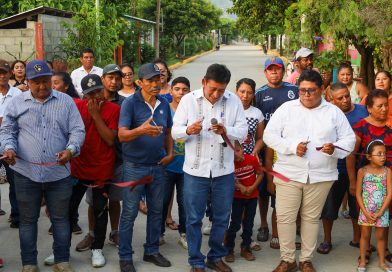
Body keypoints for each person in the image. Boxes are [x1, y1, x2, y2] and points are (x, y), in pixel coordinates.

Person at [264, 70, 356, 272]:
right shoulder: (287, 109)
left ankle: (306, 260)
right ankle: (287, 260)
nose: (306, 95)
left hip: (321, 176)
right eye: (302, 90)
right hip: (288, 173)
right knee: (285, 217)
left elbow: (349, 141)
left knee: (310, 218)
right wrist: (291, 146)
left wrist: (334, 148)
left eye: (311, 91)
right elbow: (269, 136)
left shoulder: (333, 112)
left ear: (322, 90)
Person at [0, 60, 85, 272]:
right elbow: (7, 131)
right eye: (36, 82)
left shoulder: (66, 102)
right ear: (27, 82)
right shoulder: (16, 103)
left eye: (46, 81)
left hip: (59, 173)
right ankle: (29, 263)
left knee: (60, 218)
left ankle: (62, 260)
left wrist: (71, 150)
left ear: (51, 80)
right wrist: (9, 148)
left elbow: (77, 131)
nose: (42, 87)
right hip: (25, 173)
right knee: (28, 220)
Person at [172, 63, 248, 272]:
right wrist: (188, 129)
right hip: (195, 171)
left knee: (222, 217)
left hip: (224, 170)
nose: (216, 94)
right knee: (194, 218)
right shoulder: (188, 100)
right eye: (212, 89)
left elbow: (243, 132)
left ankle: (215, 257)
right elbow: (174, 132)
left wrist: (227, 130)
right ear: (203, 82)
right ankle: (196, 260)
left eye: (221, 90)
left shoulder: (233, 102)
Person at [118, 63, 173, 272]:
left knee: (157, 211)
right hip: (134, 166)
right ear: (140, 82)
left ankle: (151, 251)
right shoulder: (130, 104)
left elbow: (167, 132)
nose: (155, 83)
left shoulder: (164, 104)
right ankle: (125, 256)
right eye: (150, 80)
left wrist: (170, 153)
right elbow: (122, 135)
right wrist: (140, 130)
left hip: (158, 166)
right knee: (130, 212)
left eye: (158, 79)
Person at [68, 73, 120, 268]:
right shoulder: (77, 108)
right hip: (78, 167)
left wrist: (96, 115)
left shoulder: (114, 109)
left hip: (101, 168)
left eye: (98, 91)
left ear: (104, 90)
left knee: (99, 209)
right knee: (67, 209)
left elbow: (109, 139)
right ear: (84, 95)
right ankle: (61, 250)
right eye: (90, 94)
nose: (95, 97)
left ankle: (97, 249)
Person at [317, 83, 368, 255]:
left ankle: (357, 239)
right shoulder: (327, 114)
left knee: (356, 206)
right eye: (340, 98)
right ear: (331, 99)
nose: (345, 100)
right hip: (334, 167)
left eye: (347, 95)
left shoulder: (362, 110)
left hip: (359, 168)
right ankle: (327, 240)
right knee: (329, 207)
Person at [255, 56, 298, 248]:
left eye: (278, 69)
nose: (274, 72)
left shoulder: (294, 91)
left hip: (288, 147)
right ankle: (264, 224)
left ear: (283, 71)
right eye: (270, 69)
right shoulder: (259, 94)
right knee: (264, 190)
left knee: (288, 187)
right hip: (264, 146)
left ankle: (289, 224)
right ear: (265, 72)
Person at [347, 89, 392, 264]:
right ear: (369, 108)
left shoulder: (390, 128)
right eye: (379, 106)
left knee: (385, 216)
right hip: (366, 183)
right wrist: (352, 181)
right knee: (364, 218)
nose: (384, 109)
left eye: (386, 105)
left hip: (386, 181)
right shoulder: (360, 127)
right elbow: (351, 156)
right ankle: (363, 251)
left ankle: (384, 249)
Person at [160, 76, 190, 249]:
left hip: (187, 166)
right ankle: (159, 233)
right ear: (171, 91)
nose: (180, 92)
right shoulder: (165, 110)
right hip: (167, 165)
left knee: (185, 202)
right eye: (177, 89)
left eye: (185, 89)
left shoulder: (191, 111)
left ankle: (184, 234)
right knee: (162, 201)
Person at [224, 141, 263, 263]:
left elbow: (260, 173)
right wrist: (240, 186)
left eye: (238, 150)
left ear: (242, 149)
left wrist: (253, 187)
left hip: (252, 196)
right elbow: (230, 179)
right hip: (237, 197)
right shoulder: (230, 164)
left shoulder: (251, 159)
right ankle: (229, 248)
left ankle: (245, 248)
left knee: (249, 223)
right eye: (233, 152)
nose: (236, 154)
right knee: (235, 223)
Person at [356, 140, 392, 272]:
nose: (383, 156)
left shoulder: (387, 171)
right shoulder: (362, 171)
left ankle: (382, 262)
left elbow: (389, 194)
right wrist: (365, 212)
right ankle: (362, 261)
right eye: (379, 153)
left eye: (385, 153)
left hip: (382, 212)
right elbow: (359, 194)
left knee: (381, 237)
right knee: (364, 236)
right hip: (366, 211)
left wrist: (381, 212)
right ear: (369, 156)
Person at [0, 60, 21, 230]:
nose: (2, 75)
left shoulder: (18, 94)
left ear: (10, 74)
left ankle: (16, 215)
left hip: (11, 143)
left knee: (14, 181)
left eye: (5, 72)